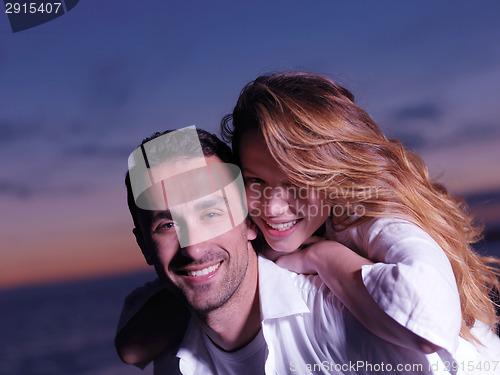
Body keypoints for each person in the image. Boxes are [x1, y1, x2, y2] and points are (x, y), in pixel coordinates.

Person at [120, 126, 437, 374]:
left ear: (249, 222)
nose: (194, 247)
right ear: (144, 245)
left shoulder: (341, 319)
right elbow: (129, 348)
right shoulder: (168, 354)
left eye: (211, 214)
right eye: (167, 225)